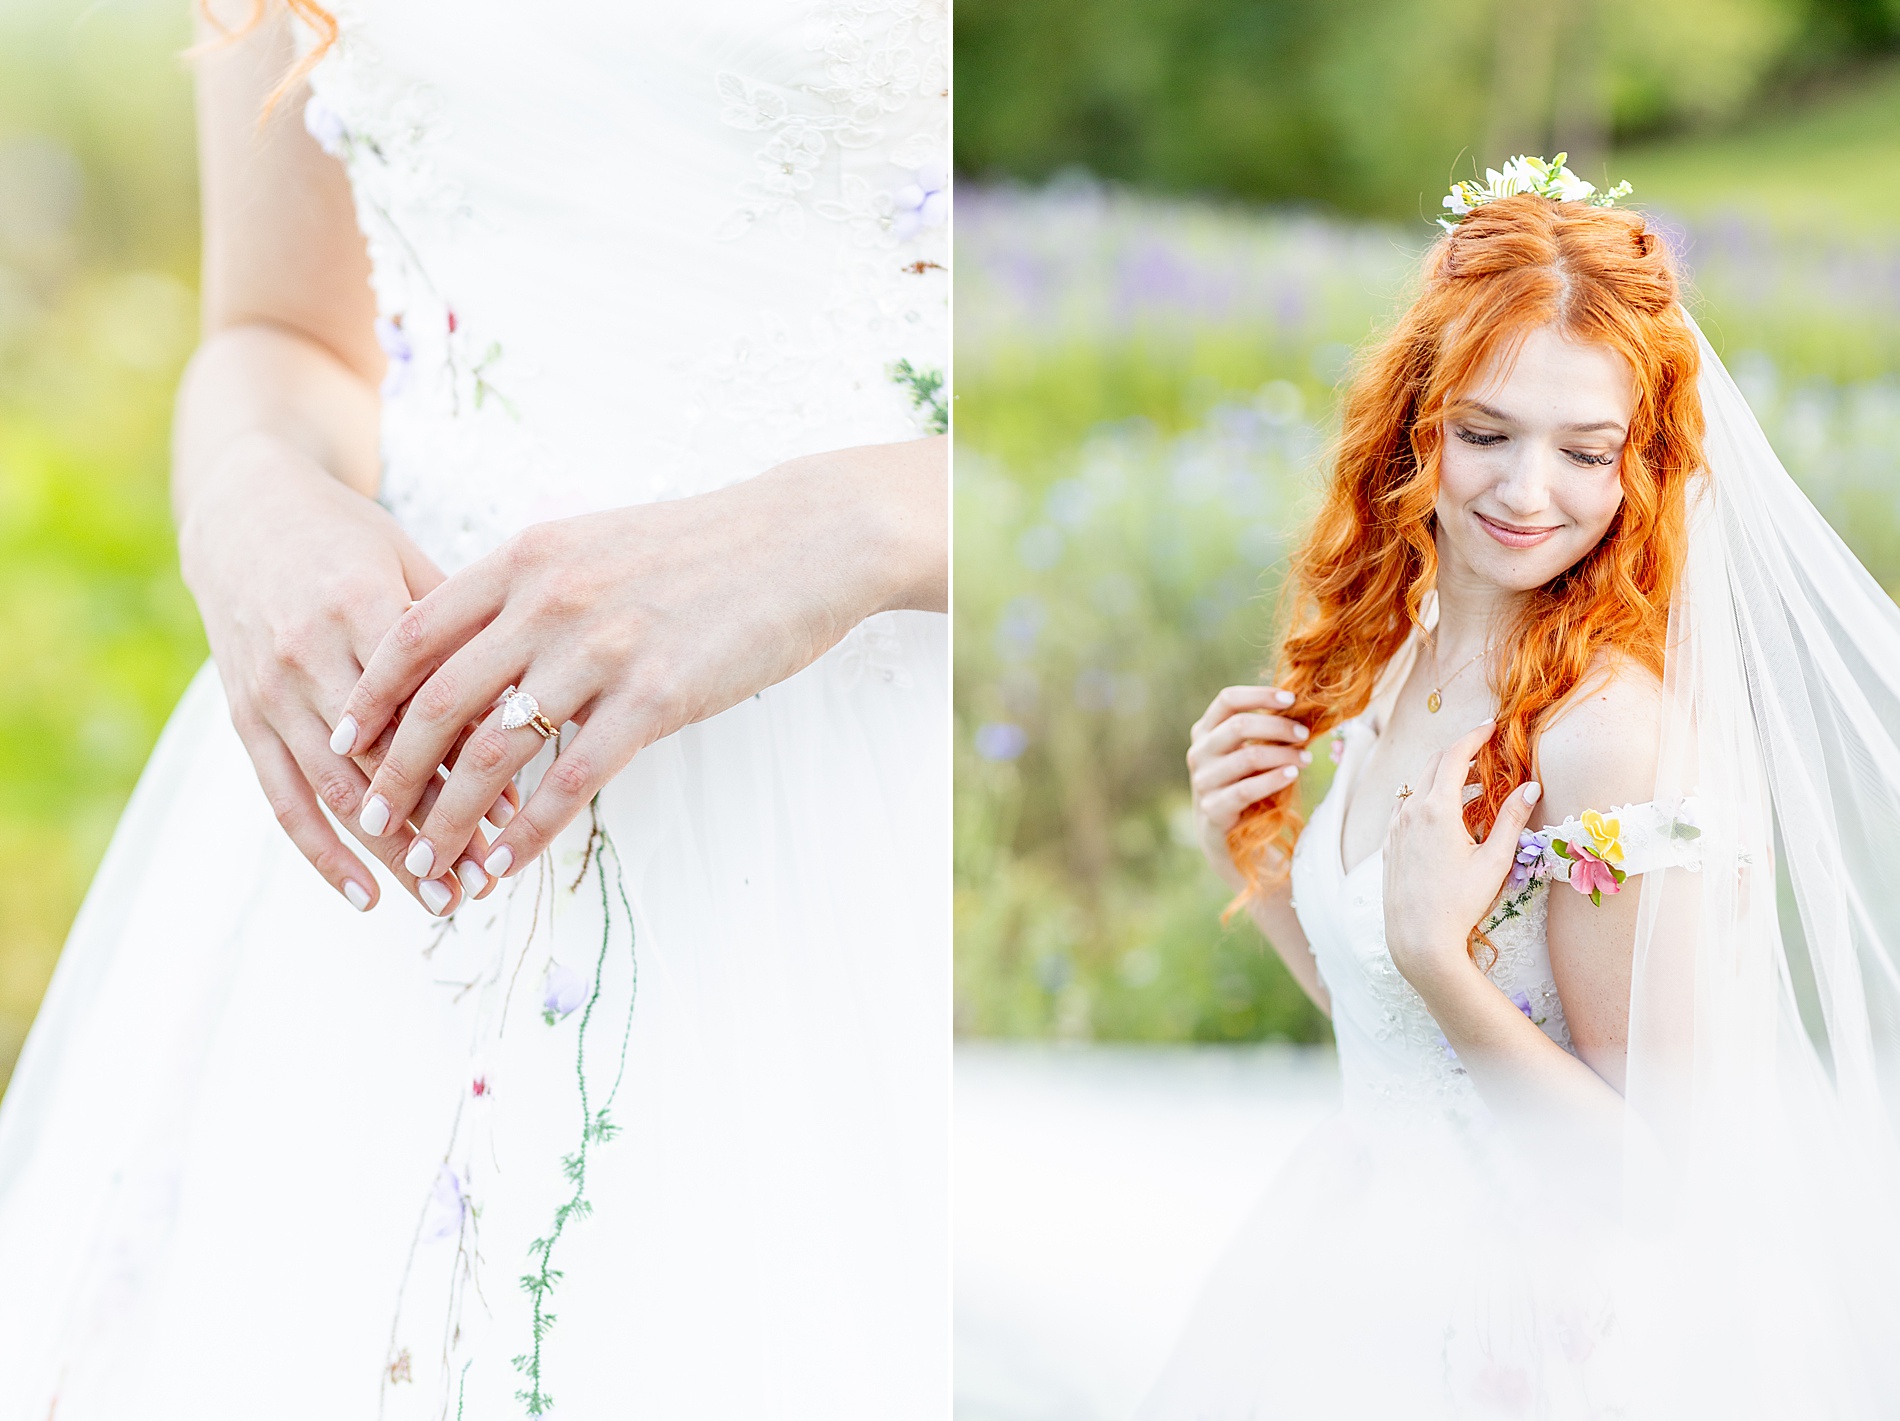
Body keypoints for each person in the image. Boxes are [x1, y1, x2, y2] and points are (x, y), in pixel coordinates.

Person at [0, 1, 949, 1416]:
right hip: (404, 792)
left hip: (859, 790)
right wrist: (249, 500)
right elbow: (278, 333)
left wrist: (853, 522)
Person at [1165, 157, 1900, 1417]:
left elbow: (1647, 1182)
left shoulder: (1605, 742)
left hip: (1529, 1331)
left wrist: (1443, 958)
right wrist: (1248, 842)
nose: (1524, 492)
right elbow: (1388, 1035)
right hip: (1363, 1265)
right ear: (1413, 424)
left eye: (1583, 449)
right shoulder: (1400, 657)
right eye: (1485, 433)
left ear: (1640, 463)